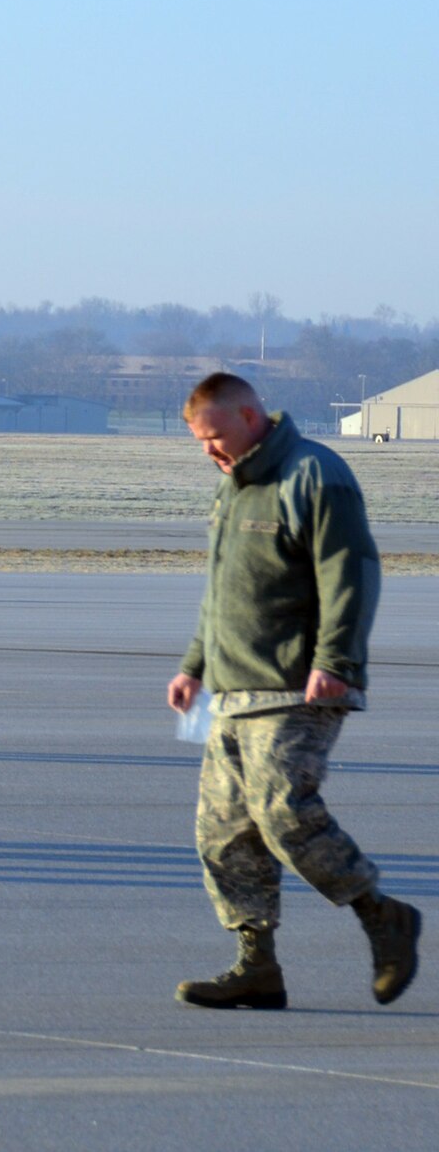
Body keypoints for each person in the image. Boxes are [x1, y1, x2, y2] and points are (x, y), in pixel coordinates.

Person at [168, 372, 420, 1010]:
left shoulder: (315, 473)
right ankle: (257, 965)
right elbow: (221, 591)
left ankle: (382, 916)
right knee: (222, 832)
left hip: (298, 684)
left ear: (252, 417)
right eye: (200, 441)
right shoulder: (234, 488)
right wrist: (195, 666)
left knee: (283, 811)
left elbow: (352, 572)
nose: (209, 451)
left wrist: (336, 659)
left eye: (216, 436)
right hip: (230, 689)